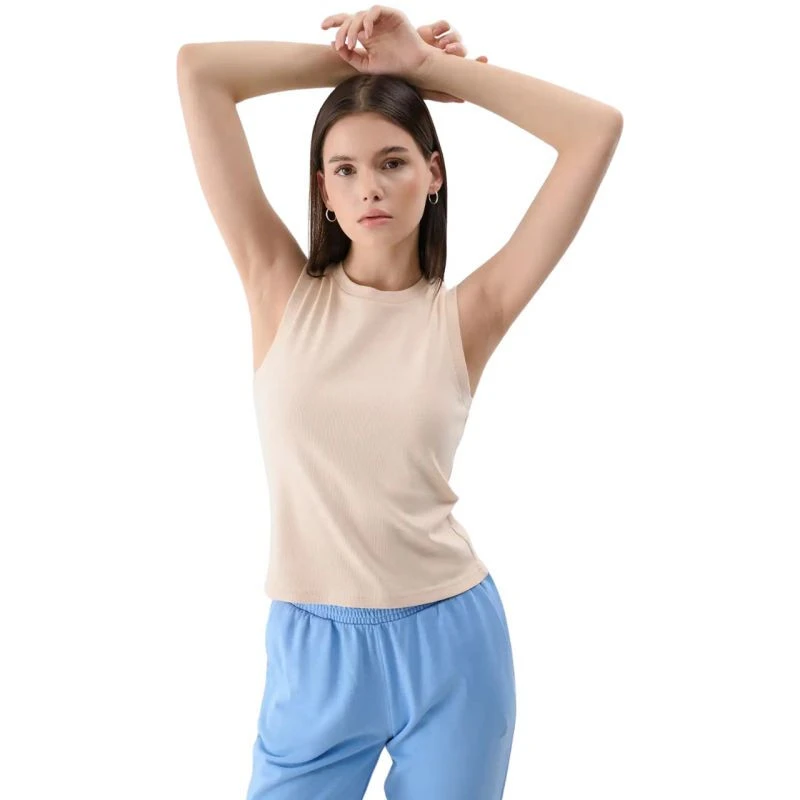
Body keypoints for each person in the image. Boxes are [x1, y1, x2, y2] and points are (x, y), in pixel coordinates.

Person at [176, 7, 622, 798]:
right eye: (344, 170)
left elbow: (595, 130)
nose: (370, 187)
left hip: (452, 645)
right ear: (323, 189)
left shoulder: (467, 316)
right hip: (313, 651)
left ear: (433, 173)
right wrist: (363, 68)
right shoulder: (278, 289)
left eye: (392, 161)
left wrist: (426, 70)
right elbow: (200, 73)